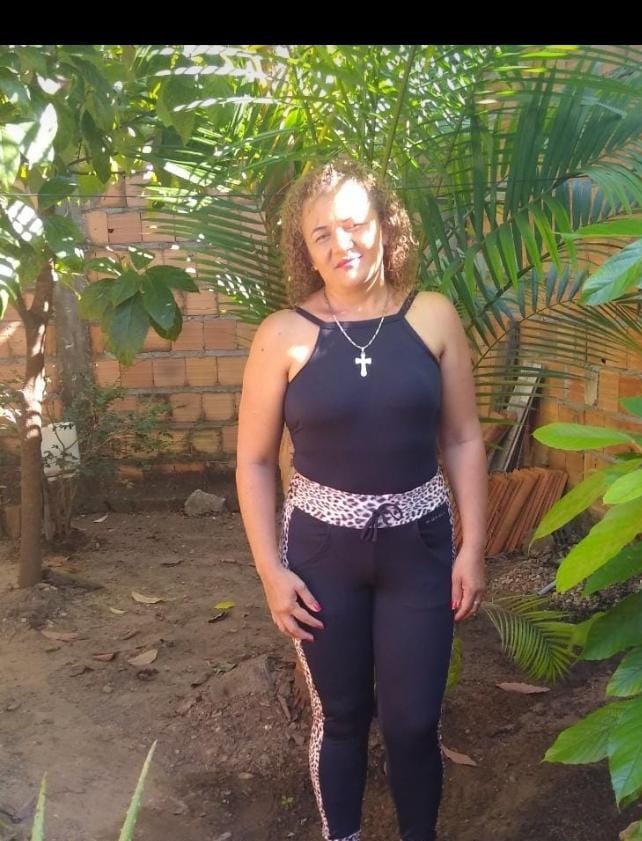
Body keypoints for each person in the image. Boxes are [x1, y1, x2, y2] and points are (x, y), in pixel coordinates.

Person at [236, 157, 488, 841]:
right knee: (342, 717)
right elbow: (254, 461)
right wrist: (271, 571)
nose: (341, 243)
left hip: (421, 549)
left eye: (354, 224)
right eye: (321, 234)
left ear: (385, 224)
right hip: (321, 557)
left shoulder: (432, 317)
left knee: (413, 722)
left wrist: (473, 546)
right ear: (305, 250)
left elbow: (463, 437)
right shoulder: (282, 335)